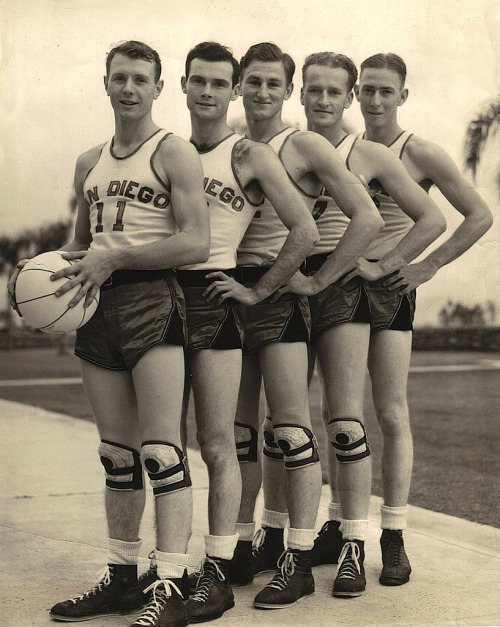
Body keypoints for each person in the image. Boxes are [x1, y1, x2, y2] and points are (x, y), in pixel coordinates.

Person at [9, 40, 210, 627]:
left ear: (158, 87)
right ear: (104, 83)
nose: (129, 88)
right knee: (116, 456)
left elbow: (194, 241)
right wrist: (37, 282)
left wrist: (113, 262)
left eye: (140, 79)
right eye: (119, 77)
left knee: (161, 451)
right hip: (97, 307)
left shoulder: (173, 152)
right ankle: (122, 575)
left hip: (153, 300)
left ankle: (170, 581)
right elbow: (81, 244)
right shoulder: (89, 161)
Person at [258, 51, 446, 597]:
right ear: (301, 94)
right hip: (291, 283)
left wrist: (387, 265)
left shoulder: (366, 152)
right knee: (284, 421)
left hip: (342, 287)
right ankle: (277, 535)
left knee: (347, 419)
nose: (321, 100)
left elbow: (430, 218)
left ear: (349, 97)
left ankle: (357, 544)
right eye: (312, 90)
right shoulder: (286, 147)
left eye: (333, 92)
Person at [205, 42, 383, 609]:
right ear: (240, 87)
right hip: (233, 294)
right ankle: (240, 545)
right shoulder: (232, 145)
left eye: (271, 83)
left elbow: (368, 217)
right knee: (241, 436)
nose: (260, 92)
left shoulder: (300, 143)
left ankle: (305, 557)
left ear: (287, 92)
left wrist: (314, 281)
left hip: (277, 293)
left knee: (299, 426)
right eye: (251, 81)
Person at [144, 41, 316, 624]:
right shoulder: (169, 150)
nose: (209, 92)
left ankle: (220, 569)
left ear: (234, 87)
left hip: (216, 301)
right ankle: (172, 564)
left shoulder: (248, 155)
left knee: (221, 443)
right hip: (163, 301)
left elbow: (305, 231)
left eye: (221, 82)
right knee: (168, 442)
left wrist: (259, 290)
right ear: (184, 86)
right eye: (198, 81)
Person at [308, 51, 493, 590]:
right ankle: (343, 525)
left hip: (388, 290)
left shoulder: (419, 153)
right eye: (366, 90)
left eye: (386, 91)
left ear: (403, 96)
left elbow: (477, 215)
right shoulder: (339, 148)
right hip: (341, 287)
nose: (374, 100)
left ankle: (394, 534)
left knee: (390, 411)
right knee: (338, 412)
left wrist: (420, 266)